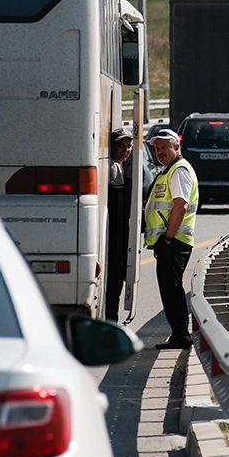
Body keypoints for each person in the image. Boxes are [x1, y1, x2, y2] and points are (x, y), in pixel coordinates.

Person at [144, 129, 198, 350]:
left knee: (172, 289)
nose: (160, 152)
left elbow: (180, 205)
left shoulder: (179, 171)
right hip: (169, 241)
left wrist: (167, 238)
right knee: (169, 288)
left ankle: (180, 336)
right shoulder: (168, 170)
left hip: (175, 241)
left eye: (165, 147)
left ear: (177, 148)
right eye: (157, 148)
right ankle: (179, 334)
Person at [104, 127, 134, 322]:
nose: (126, 150)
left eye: (129, 146)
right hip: (115, 240)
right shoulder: (113, 168)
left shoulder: (119, 166)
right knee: (113, 284)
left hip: (119, 240)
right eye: (121, 146)